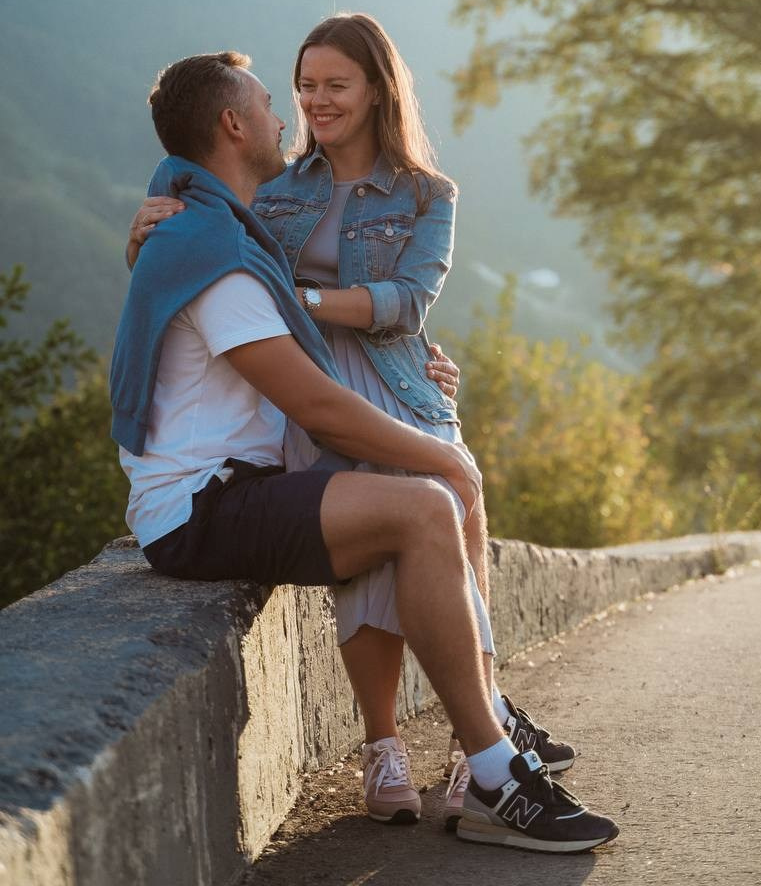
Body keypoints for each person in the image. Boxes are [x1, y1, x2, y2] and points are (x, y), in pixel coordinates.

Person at [114, 50, 618, 855]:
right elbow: (317, 407)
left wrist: (424, 362)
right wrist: (443, 458)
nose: (289, 116)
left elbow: (386, 304)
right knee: (425, 502)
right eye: (270, 103)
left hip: (233, 488)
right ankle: (490, 768)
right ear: (234, 126)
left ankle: (480, 745)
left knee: (414, 501)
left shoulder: (213, 230)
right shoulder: (213, 253)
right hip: (202, 508)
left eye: (318, 90)